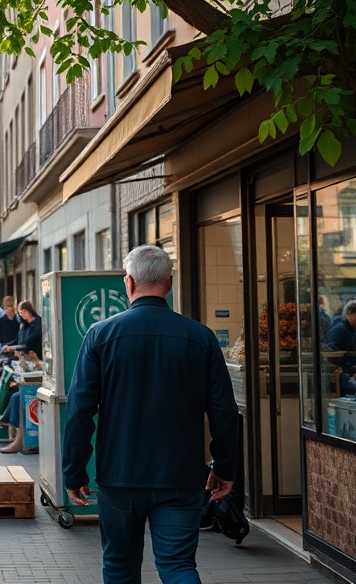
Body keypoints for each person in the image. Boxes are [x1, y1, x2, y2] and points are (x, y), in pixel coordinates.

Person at [62, 245, 239, 584]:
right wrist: (224, 468)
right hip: (182, 476)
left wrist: (74, 472)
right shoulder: (200, 338)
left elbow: (81, 409)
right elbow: (224, 412)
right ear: (168, 283)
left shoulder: (101, 335)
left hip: (120, 474)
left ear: (128, 283)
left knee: (119, 566)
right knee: (178, 566)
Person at [0, 300, 44, 454]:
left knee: (18, 396)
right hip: (30, 362)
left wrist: (15, 348)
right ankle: (10, 424)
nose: (20, 315)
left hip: (37, 363)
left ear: (27, 310)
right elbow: (22, 341)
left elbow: (29, 344)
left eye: (21, 312)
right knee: (17, 395)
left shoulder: (36, 326)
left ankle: (9, 424)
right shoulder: (26, 325)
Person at [326, 299, 356, 394]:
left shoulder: (349, 329)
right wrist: (346, 375)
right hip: (340, 378)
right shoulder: (339, 330)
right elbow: (331, 357)